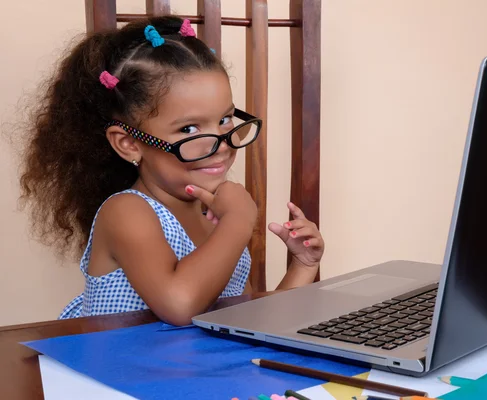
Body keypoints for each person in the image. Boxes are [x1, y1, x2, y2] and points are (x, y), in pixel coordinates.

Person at [18, 16, 324, 326]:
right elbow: (180, 305)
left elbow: (243, 323)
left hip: (191, 371)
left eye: (224, 120)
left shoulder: (214, 215)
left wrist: (302, 265)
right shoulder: (127, 212)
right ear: (129, 144)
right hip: (120, 369)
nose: (219, 144)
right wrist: (239, 220)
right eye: (189, 128)